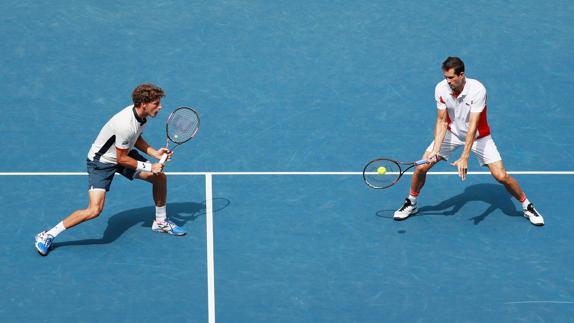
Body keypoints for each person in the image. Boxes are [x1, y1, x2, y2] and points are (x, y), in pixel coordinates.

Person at [35, 83, 185, 256]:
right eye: (156, 104)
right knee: (94, 210)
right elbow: (121, 159)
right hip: (102, 162)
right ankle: (47, 235)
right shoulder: (125, 124)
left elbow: (135, 138)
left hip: (122, 154)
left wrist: (155, 153)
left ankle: (160, 221)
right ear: (144, 103)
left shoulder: (141, 116)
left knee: (160, 178)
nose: (160, 107)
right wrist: (150, 166)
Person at [393, 57, 544, 226]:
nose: (447, 81)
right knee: (421, 167)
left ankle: (527, 206)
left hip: (480, 136)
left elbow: (473, 126)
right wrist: (436, 149)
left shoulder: (477, 90)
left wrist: (465, 156)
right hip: (452, 134)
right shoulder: (441, 89)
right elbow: (442, 121)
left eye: (451, 77)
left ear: (461, 75)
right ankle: (411, 203)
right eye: (445, 77)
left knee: (501, 176)